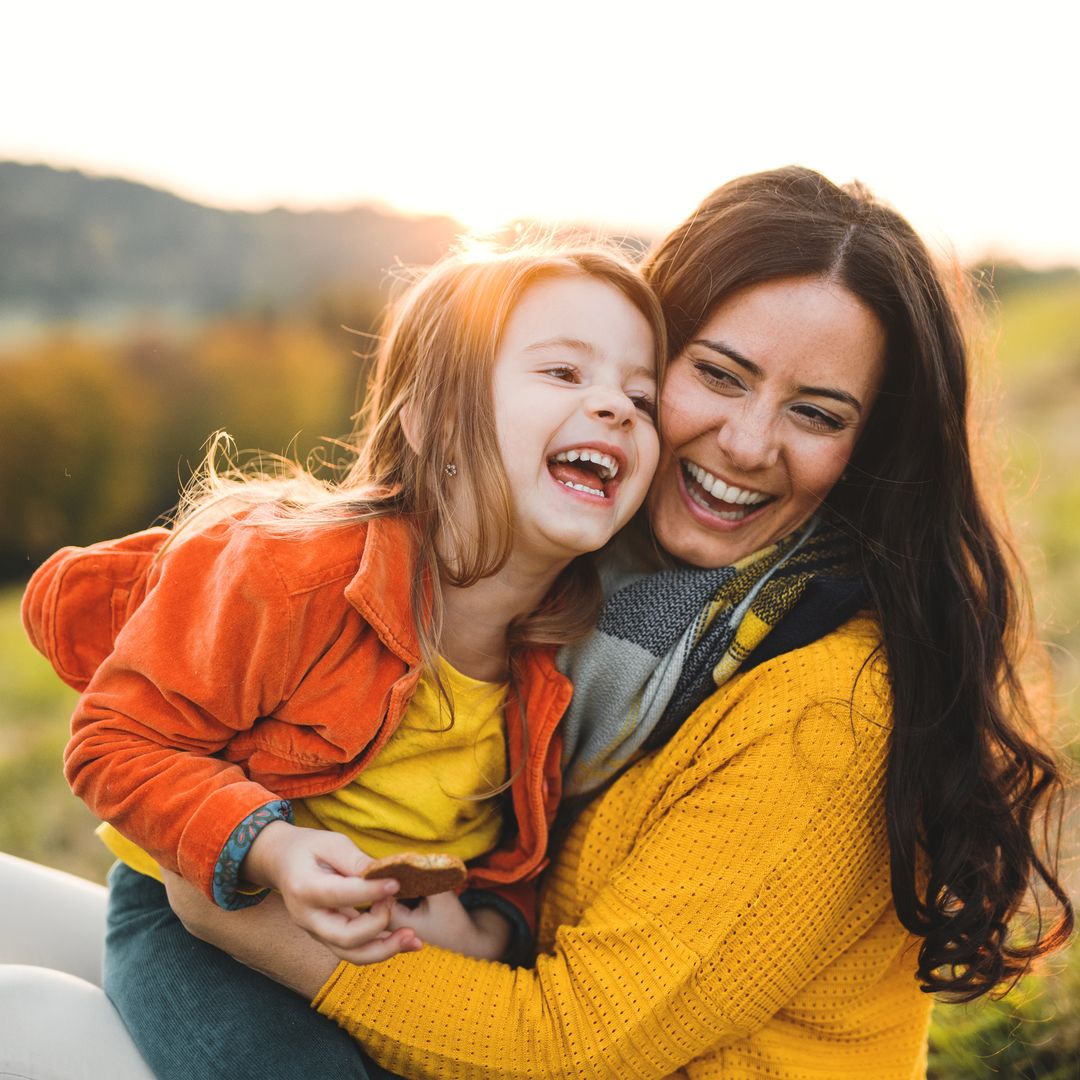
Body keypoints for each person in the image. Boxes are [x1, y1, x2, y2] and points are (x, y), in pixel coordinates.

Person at [4, 166, 1074, 1079]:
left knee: (30, 1020)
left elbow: (571, 1040)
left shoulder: (821, 704)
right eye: (716, 374)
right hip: (339, 939)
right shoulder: (593, 607)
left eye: (817, 412)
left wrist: (246, 904)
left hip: (492, 1030)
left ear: (870, 451)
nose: (749, 444)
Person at [13, 238, 665, 1077]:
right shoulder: (289, 573)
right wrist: (271, 849)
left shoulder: (571, 655)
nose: (615, 407)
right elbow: (114, 742)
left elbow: (515, 851)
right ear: (432, 422)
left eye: (641, 397)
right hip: (201, 915)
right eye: (565, 373)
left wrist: (483, 930)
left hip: (379, 956)